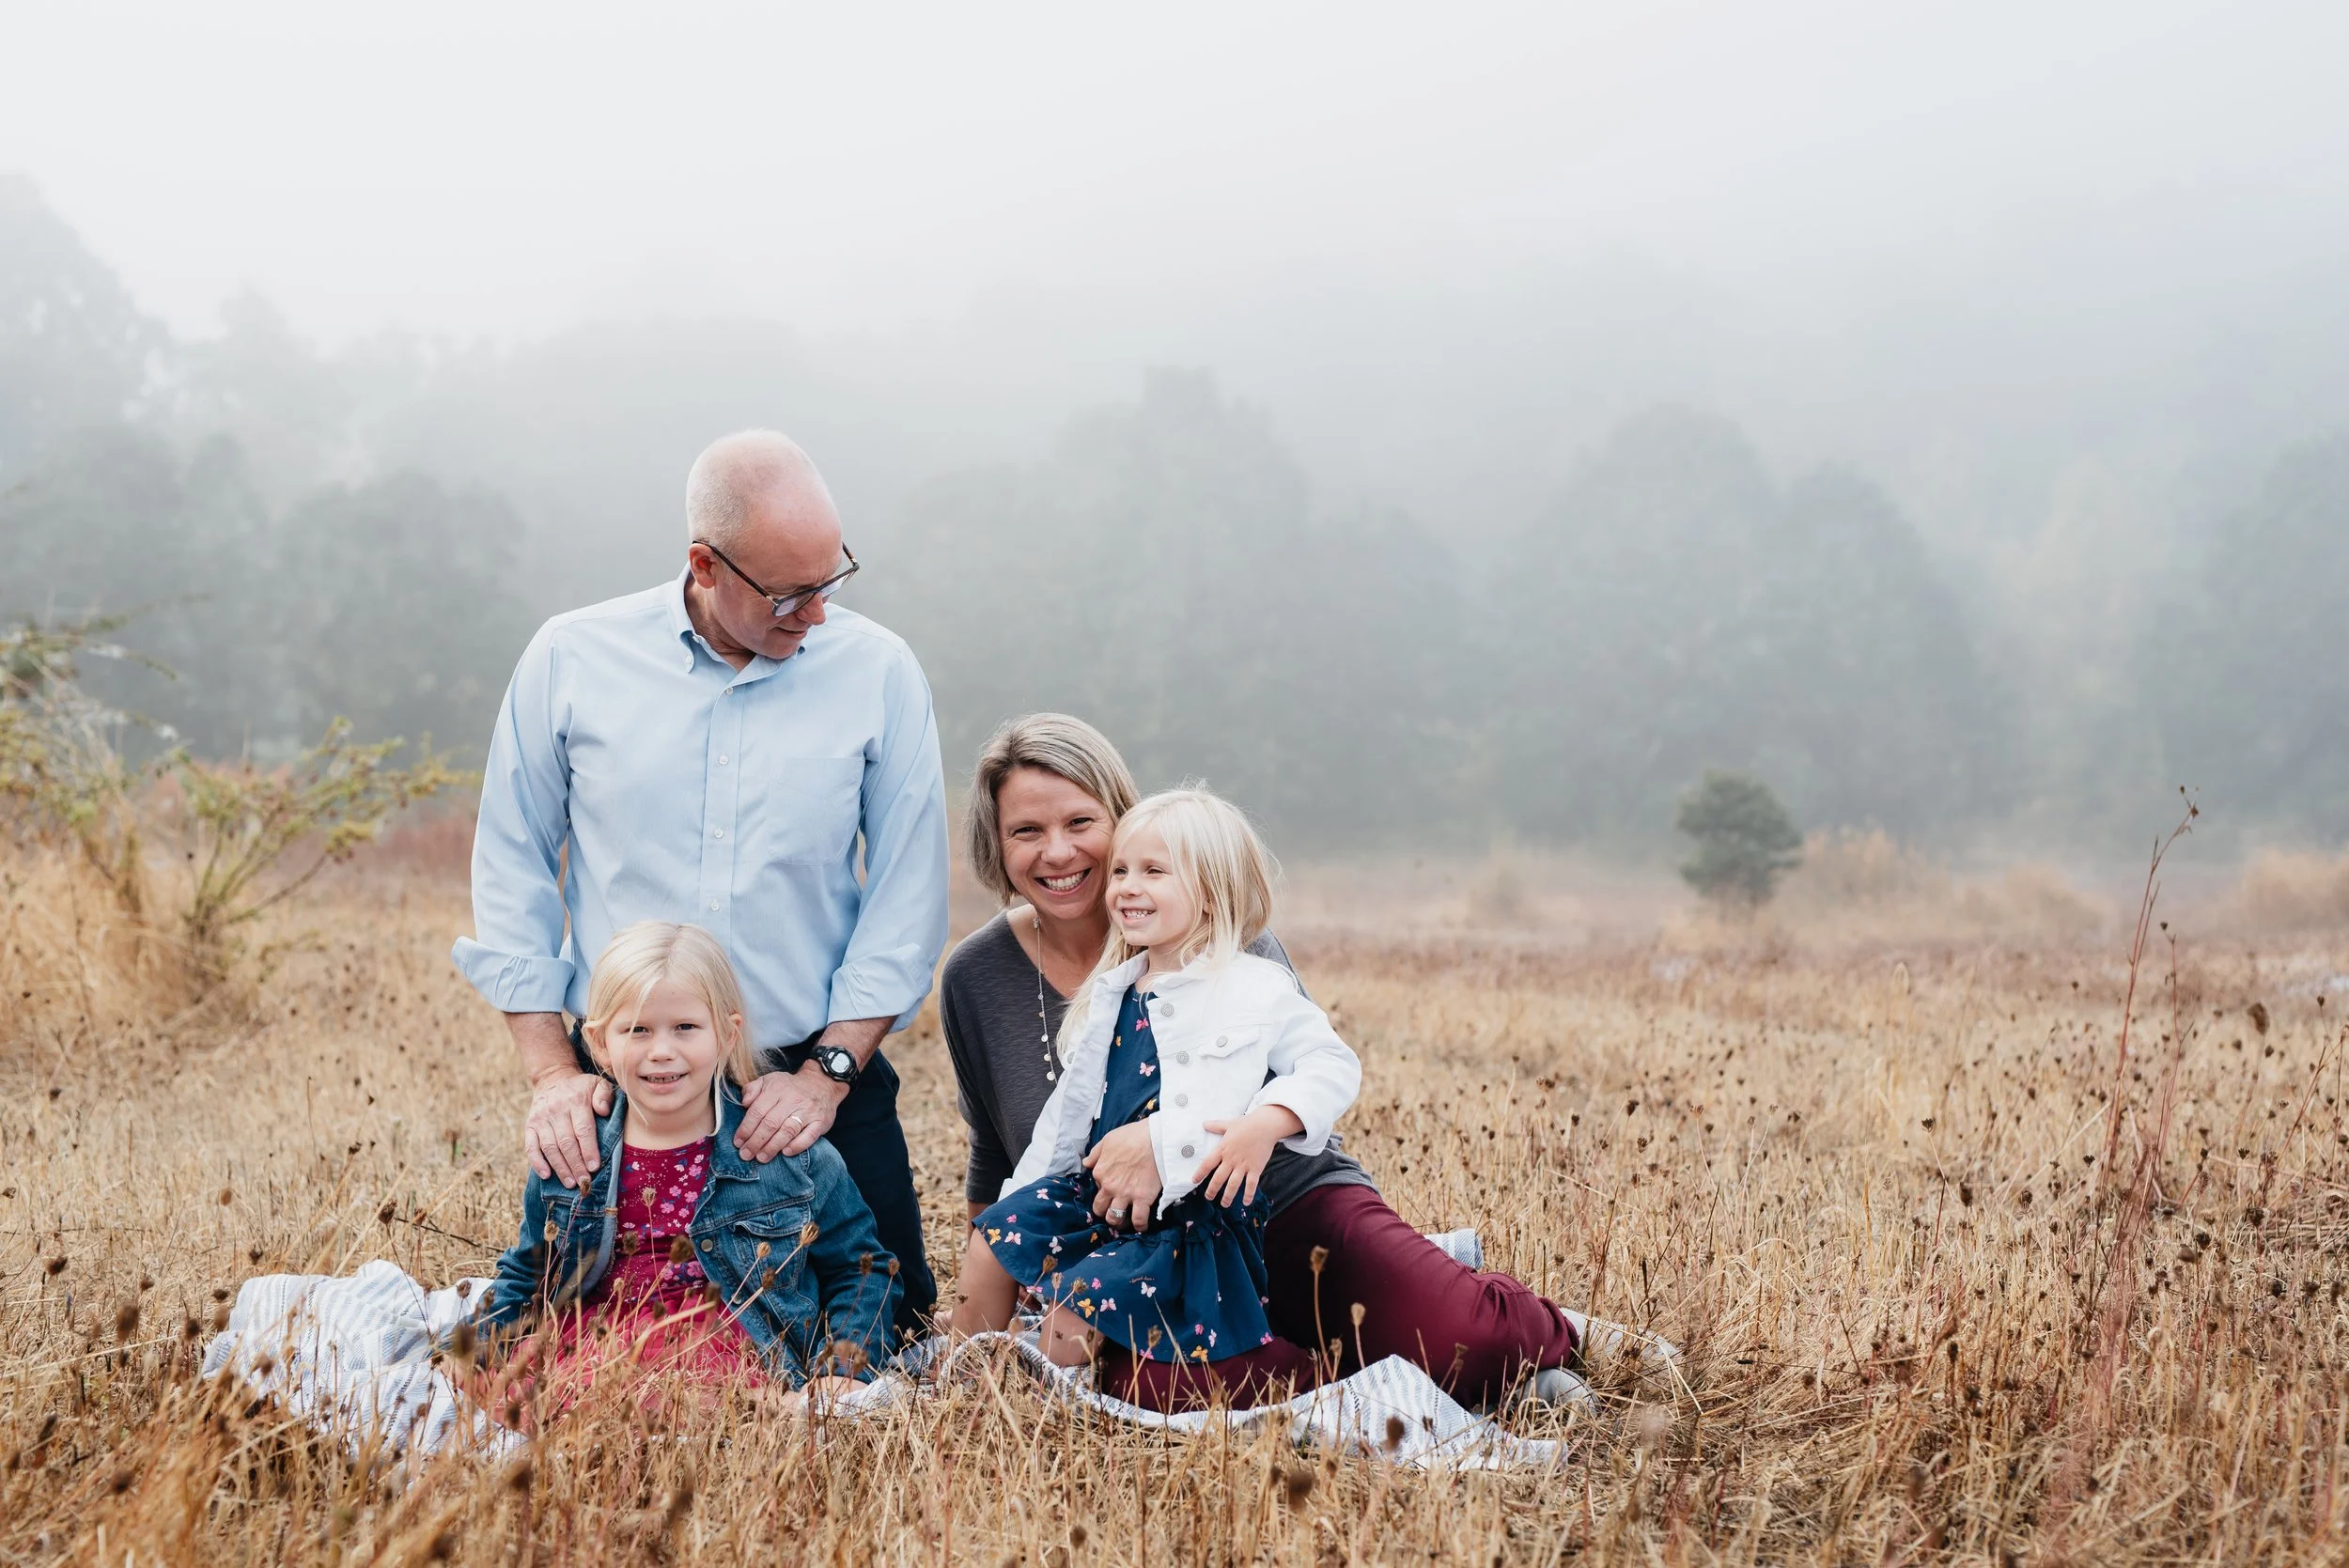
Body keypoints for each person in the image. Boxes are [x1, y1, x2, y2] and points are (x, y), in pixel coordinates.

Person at [941, 714, 1590, 1409]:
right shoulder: (984, 976)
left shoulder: (1232, 948)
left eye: (1081, 823)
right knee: (1164, 1383)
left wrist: (1162, 1142)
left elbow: (1316, 1070)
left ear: (1123, 819)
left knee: (1465, 1338)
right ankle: (1372, 1390)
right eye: (1026, 831)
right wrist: (1012, 1262)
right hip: (1141, 1245)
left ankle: (1541, 1329)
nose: (1058, 852)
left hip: (1285, 1202)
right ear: (996, 843)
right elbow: (998, 1150)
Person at [454, 430, 949, 1336]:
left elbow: (907, 897)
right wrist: (552, 1075)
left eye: (833, 579)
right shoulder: (570, 657)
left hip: (814, 1072)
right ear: (704, 565)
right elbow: (513, 863)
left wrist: (828, 1075)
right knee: (583, 1329)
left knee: (901, 1327)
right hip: (634, 1076)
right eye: (790, 594)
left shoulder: (880, 670)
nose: (819, 614)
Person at [950, 789, 1361, 1410]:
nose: (1125, 887)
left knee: (1073, 1310)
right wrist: (1021, 1200)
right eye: (1120, 870)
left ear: (1211, 891)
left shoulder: (1253, 984)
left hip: (1177, 1213)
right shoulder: (1112, 989)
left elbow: (1332, 1064)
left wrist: (1264, 1123)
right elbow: (1067, 1114)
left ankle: (1043, 1412)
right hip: (1091, 1193)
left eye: (1153, 871)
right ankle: (957, 1385)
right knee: (991, 1242)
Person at [466, 923, 901, 1427]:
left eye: (686, 1028)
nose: (662, 1051)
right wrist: (476, 1354)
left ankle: (760, 1414)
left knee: (681, 1400)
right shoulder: (576, 1149)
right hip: (600, 1339)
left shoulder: (786, 1152)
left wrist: (843, 1367)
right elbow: (529, 1273)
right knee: (513, 1398)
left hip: (728, 1338)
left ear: (727, 1034)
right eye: (638, 1030)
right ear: (599, 1043)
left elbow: (862, 1267)